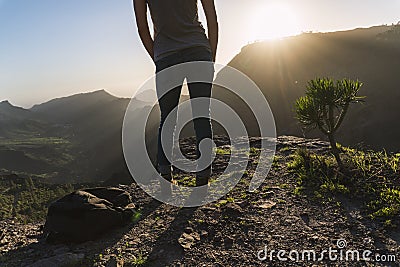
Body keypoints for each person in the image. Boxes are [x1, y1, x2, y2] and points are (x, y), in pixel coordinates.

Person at [133, 0, 218, 195]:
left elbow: (142, 27)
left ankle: (165, 177)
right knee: (202, 115)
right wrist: (210, 55)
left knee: (168, 117)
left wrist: (158, 56)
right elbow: (212, 19)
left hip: (166, 55)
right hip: (198, 50)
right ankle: (203, 177)